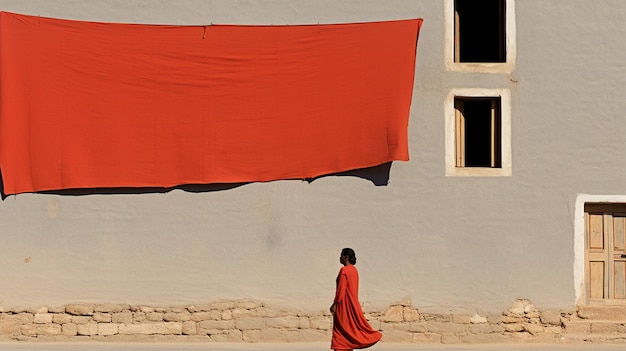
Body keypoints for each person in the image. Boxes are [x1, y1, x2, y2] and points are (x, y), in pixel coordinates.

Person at [330, 248, 382, 351]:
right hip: (353, 304)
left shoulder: (344, 270)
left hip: (344, 305)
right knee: (349, 329)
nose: (339, 258)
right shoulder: (354, 270)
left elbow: (341, 290)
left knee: (341, 330)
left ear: (346, 257)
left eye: (341, 255)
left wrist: (335, 304)